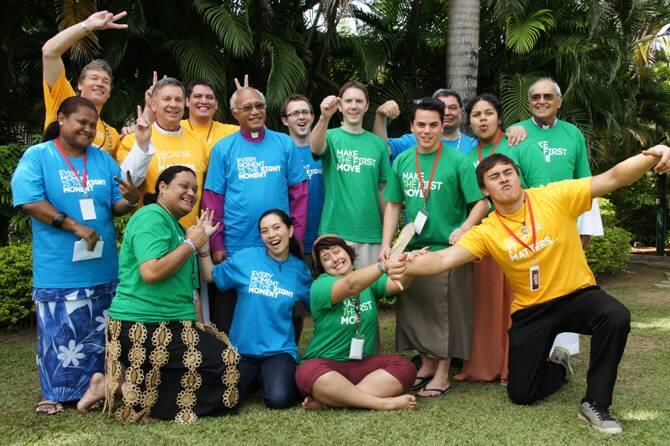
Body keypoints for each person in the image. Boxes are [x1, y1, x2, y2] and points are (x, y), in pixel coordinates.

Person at [388, 147, 670, 434]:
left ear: (518, 176)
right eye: (494, 177)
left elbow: (612, 178)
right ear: (485, 190)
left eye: (508, 172)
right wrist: (409, 264)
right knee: (522, 394)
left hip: (577, 294)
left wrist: (652, 156)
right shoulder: (487, 230)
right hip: (531, 310)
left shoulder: (554, 195)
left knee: (615, 315)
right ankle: (558, 367)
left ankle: (596, 403)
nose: (504, 179)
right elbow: (445, 259)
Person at [77, 166, 240, 424]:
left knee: (222, 363)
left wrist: (199, 246)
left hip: (174, 323)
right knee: (224, 363)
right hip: (142, 325)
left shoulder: (176, 227)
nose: (191, 193)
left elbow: (190, 291)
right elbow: (151, 272)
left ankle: (120, 386)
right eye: (184, 186)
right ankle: (125, 390)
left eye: (195, 189)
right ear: (162, 187)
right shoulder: (151, 217)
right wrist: (190, 245)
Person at [11, 96, 140, 415]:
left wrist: (133, 199)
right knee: (60, 333)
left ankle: (99, 387)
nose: (87, 129)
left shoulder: (101, 159)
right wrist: (73, 226)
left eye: (92, 125)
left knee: (101, 332)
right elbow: (29, 201)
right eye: (81, 122)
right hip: (60, 268)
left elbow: (115, 205)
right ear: (61, 118)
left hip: (103, 266)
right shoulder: (38, 156)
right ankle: (53, 393)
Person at [381, 99, 489, 396]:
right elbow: (393, 203)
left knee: (446, 312)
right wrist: (387, 244)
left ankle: (442, 373)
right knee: (419, 309)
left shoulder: (459, 161)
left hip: (448, 250)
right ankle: (426, 365)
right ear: (412, 127)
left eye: (433, 125)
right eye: (421, 125)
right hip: (414, 249)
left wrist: (465, 228)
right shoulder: (403, 160)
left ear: (443, 126)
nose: (427, 131)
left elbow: (481, 202)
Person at [452, 94, 549, 384]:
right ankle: (485, 366)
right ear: (468, 121)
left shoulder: (520, 144)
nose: (482, 119)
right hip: (488, 237)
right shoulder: (467, 158)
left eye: (488, 113)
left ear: (499, 117)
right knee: (487, 303)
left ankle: (517, 366)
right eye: (476, 115)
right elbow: (476, 202)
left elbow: (540, 191)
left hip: (523, 234)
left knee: (520, 302)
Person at [511, 78, 605, 356]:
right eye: (535, 97)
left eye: (548, 96)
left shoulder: (573, 134)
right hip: (529, 224)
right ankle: (534, 349)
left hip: (566, 224)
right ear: (529, 102)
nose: (541, 101)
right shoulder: (517, 134)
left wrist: (585, 228)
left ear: (559, 101)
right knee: (533, 285)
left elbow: (585, 182)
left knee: (567, 285)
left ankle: (562, 352)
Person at [202, 87, 308, 332]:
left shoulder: (284, 144)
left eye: (259, 106)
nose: (254, 112)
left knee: (282, 304)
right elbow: (213, 198)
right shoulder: (223, 148)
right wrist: (217, 243)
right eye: (247, 108)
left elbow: (299, 193)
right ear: (234, 113)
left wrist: (297, 237)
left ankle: (282, 358)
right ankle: (232, 363)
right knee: (233, 311)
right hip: (237, 245)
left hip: (278, 244)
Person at [202, 209, 311, 409]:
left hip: (279, 350)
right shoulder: (246, 259)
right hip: (242, 350)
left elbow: (317, 304)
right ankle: (260, 378)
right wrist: (203, 244)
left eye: (277, 227)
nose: (271, 235)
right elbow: (211, 275)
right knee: (225, 401)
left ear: (290, 230)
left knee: (278, 399)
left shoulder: (300, 271)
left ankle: (276, 376)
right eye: (264, 230)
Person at [295, 236, 417, 410]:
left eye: (337, 251)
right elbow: (350, 285)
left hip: (362, 366)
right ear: (322, 267)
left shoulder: (367, 280)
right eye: (326, 258)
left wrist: (411, 266)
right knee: (307, 371)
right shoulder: (320, 286)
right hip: (327, 364)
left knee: (405, 366)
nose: (334, 259)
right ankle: (382, 403)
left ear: (348, 251)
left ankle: (331, 401)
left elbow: (395, 285)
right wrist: (383, 266)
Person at [310, 81, 391, 268]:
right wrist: (323, 117)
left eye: (358, 101)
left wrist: (386, 238)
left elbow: (382, 192)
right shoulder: (329, 136)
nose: (353, 106)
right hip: (334, 233)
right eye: (348, 101)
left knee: (367, 294)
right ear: (340, 106)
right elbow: (315, 147)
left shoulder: (378, 145)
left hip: (370, 235)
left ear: (367, 105)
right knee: (337, 293)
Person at [117, 77, 209, 228]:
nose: (173, 104)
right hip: (151, 232)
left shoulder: (199, 141)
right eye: (167, 99)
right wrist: (142, 144)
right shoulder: (133, 139)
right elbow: (127, 183)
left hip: (191, 235)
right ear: (153, 104)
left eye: (178, 100)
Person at [42, 10, 127, 157]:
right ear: (80, 84)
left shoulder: (112, 135)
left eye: (105, 81)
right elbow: (49, 52)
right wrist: (87, 25)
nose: (100, 83)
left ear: (109, 92)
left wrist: (131, 135)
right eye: (94, 78)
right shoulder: (64, 100)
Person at [372, 88, 528, 162]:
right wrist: (380, 116)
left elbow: (496, 141)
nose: (446, 112)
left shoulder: (474, 146)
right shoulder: (413, 140)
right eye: (441, 107)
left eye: (453, 108)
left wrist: (515, 129)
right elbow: (381, 149)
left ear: (461, 113)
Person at [280, 94, 323, 267]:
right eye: (295, 113)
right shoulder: (279, 152)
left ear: (313, 117)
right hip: (294, 241)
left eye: (305, 112)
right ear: (285, 120)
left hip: (327, 237)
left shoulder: (326, 149)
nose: (301, 117)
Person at [181, 79, 239, 152]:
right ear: (187, 101)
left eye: (209, 97)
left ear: (216, 104)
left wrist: (246, 101)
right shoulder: (175, 129)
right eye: (198, 96)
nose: (204, 101)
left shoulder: (232, 132)